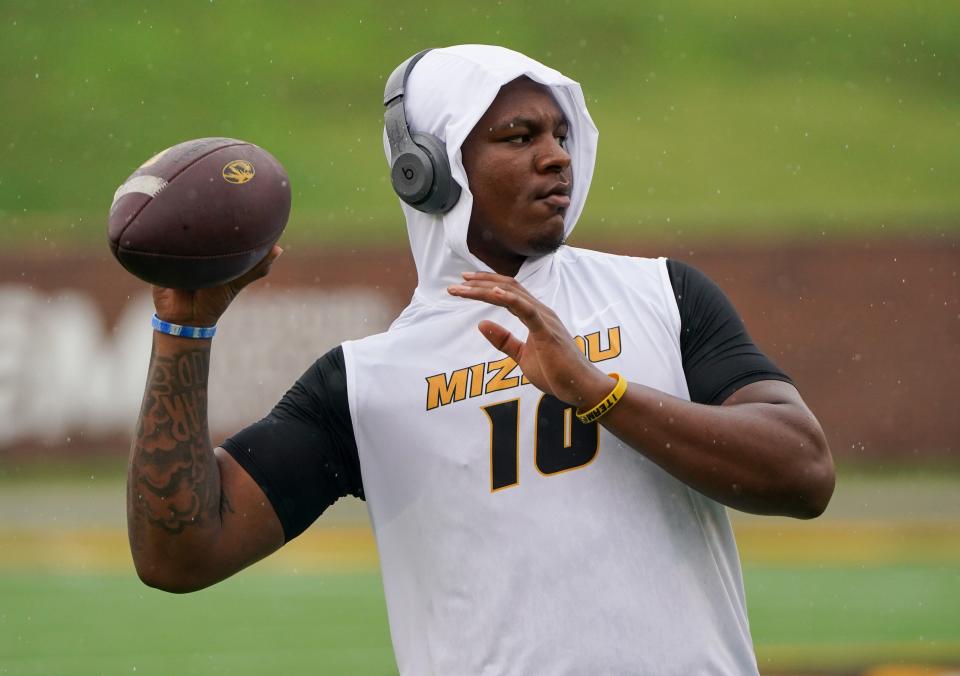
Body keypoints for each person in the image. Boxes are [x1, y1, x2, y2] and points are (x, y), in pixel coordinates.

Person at [127, 45, 835, 675]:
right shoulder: (363, 383)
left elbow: (803, 474)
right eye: (517, 136)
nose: (556, 155)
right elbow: (179, 556)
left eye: (560, 133)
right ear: (426, 169)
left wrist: (599, 392)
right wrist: (182, 331)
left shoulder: (663, 292)